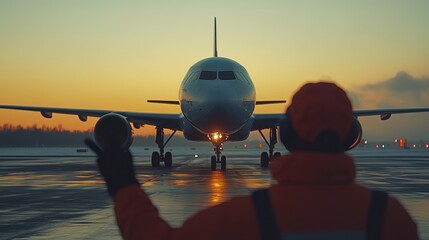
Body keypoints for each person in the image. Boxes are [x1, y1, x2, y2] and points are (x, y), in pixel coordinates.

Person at [86, 82, 419, 240]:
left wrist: (124, 186)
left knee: (161, 155)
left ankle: (161, 157)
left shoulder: (244, 218)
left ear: (287, 133)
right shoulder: (392, 217)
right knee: (163, 151)